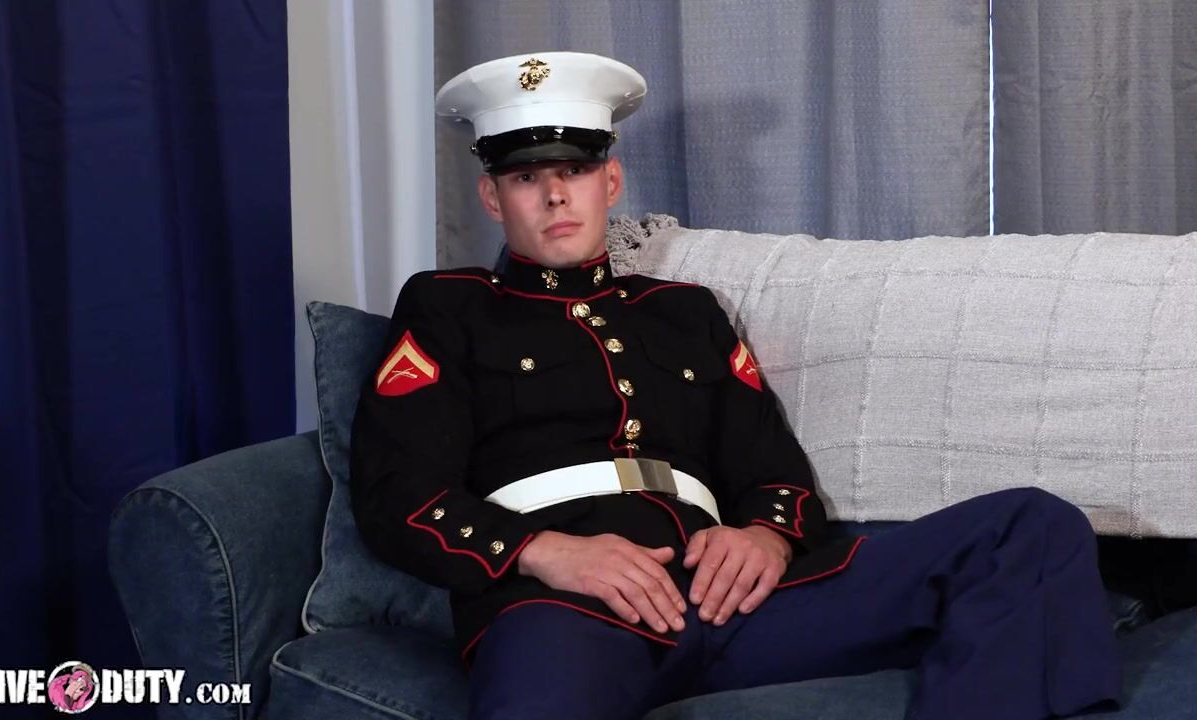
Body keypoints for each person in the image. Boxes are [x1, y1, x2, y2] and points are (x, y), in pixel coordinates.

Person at [349, 51, 1121, 720]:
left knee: (1030, 528)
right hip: (567, 609)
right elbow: (398, 493)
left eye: (575, 171)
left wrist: (765, 536)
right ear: (492, 197)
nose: (555, 196)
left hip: (737, 602)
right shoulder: (451, 305)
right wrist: (543, 552)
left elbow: (774, 472)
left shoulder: (686, 312)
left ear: (610, 180)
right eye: (526, 177)